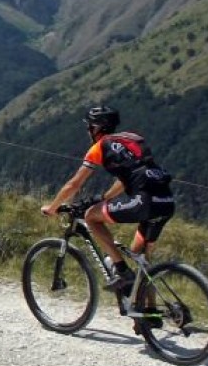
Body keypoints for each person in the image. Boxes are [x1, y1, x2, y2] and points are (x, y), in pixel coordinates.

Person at [40, 105, 175, 296]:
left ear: (96, 128)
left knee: (91, 217)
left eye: (89, 127)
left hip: (145, 201)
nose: (88, 131)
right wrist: (103, 198)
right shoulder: (132, 138)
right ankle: (147, 318)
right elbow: (127, 177)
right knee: (142, 263)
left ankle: (121, 270)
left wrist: (53, 207)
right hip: (166, 201)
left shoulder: (99, 147)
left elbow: (74, 184)